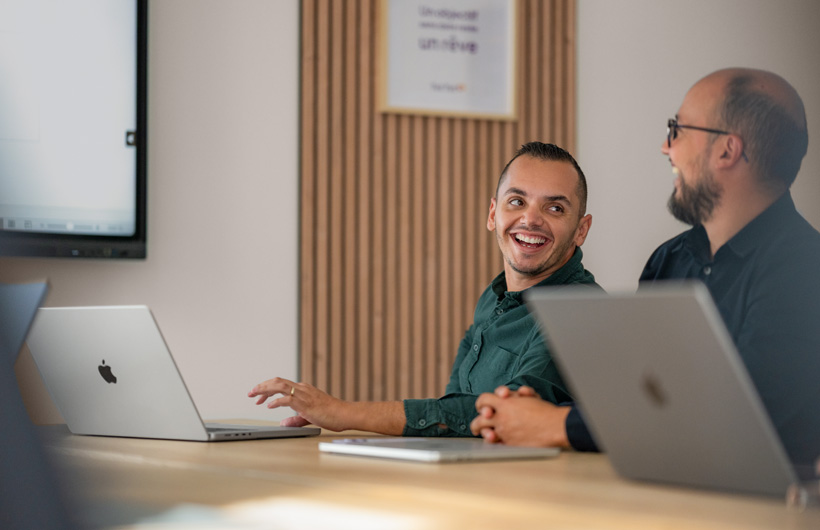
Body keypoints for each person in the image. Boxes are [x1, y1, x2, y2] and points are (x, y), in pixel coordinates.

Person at [470, 68, 820, 474]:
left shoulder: (804, 270)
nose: (665, 147)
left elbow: (748, 418)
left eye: (678, 129)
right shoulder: (669, 261)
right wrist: (529, 412)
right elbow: (642, 399)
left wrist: (556, 424)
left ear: (726, 150)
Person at [248, 142, 598, 436]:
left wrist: (343, 414)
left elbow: (503, 414)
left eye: (554, 207)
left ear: (580, 230)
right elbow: (452, 413)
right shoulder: (494, 297)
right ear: (493, 214)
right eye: (517, 202)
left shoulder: (581, 311)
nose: (530, 219)